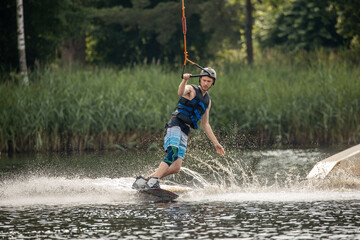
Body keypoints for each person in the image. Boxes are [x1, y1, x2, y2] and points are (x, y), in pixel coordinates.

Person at [132, 67, 225, 189]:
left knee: (176, 168)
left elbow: (205, 124)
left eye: (209, 81)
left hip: (185, 131)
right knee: (173, 152)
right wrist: (184, 80)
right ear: (200, 80)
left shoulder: (207, 101)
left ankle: (144, 181)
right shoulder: (191, 89)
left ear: (213, 82)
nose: (206, 83)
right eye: (204, 80)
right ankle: (154, 181)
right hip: (176, 124)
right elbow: (181, 92)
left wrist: (216, 143)